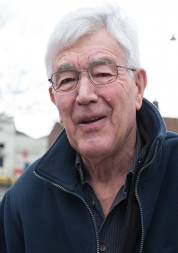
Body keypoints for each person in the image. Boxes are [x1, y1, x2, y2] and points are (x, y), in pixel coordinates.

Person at [1, 4, 178, 253]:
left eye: (103, 73)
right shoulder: (21, 205)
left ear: (138, 87)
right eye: (68, 80)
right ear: (54, 100)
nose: (84, 95)